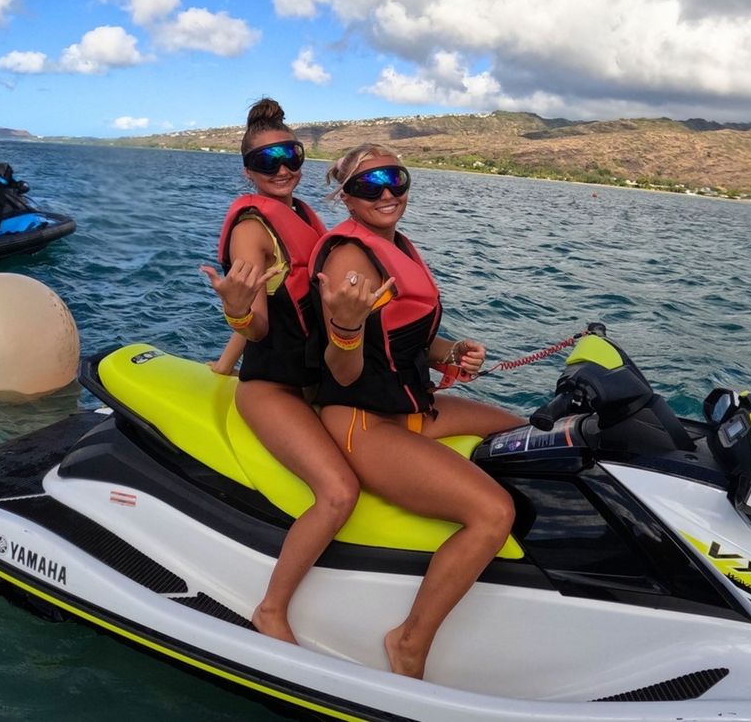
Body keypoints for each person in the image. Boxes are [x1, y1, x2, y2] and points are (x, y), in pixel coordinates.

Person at [311, 143, 523, 680]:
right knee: (493, 513)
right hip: (361, 419)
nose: (386, 193)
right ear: (346, 197)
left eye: (395, 179)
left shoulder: (396, 245)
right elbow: (342, 372)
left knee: (526, 430)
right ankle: (409, 641)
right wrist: (346, 328)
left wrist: (452, 353)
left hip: (411, 405)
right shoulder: (350, 259)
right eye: (368, 185)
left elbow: (408, 341)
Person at [200, 98, 359, 643]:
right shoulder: (251, 228)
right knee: (338, 492)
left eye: (291, 154)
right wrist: (238, 309)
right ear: (248, 171)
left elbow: (287, 296)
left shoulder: (303, 216)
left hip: (316, 380)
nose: (283, 167)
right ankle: (271, 610)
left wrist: (221, 365)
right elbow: (260, 323)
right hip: (273, 389)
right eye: (267, 161)